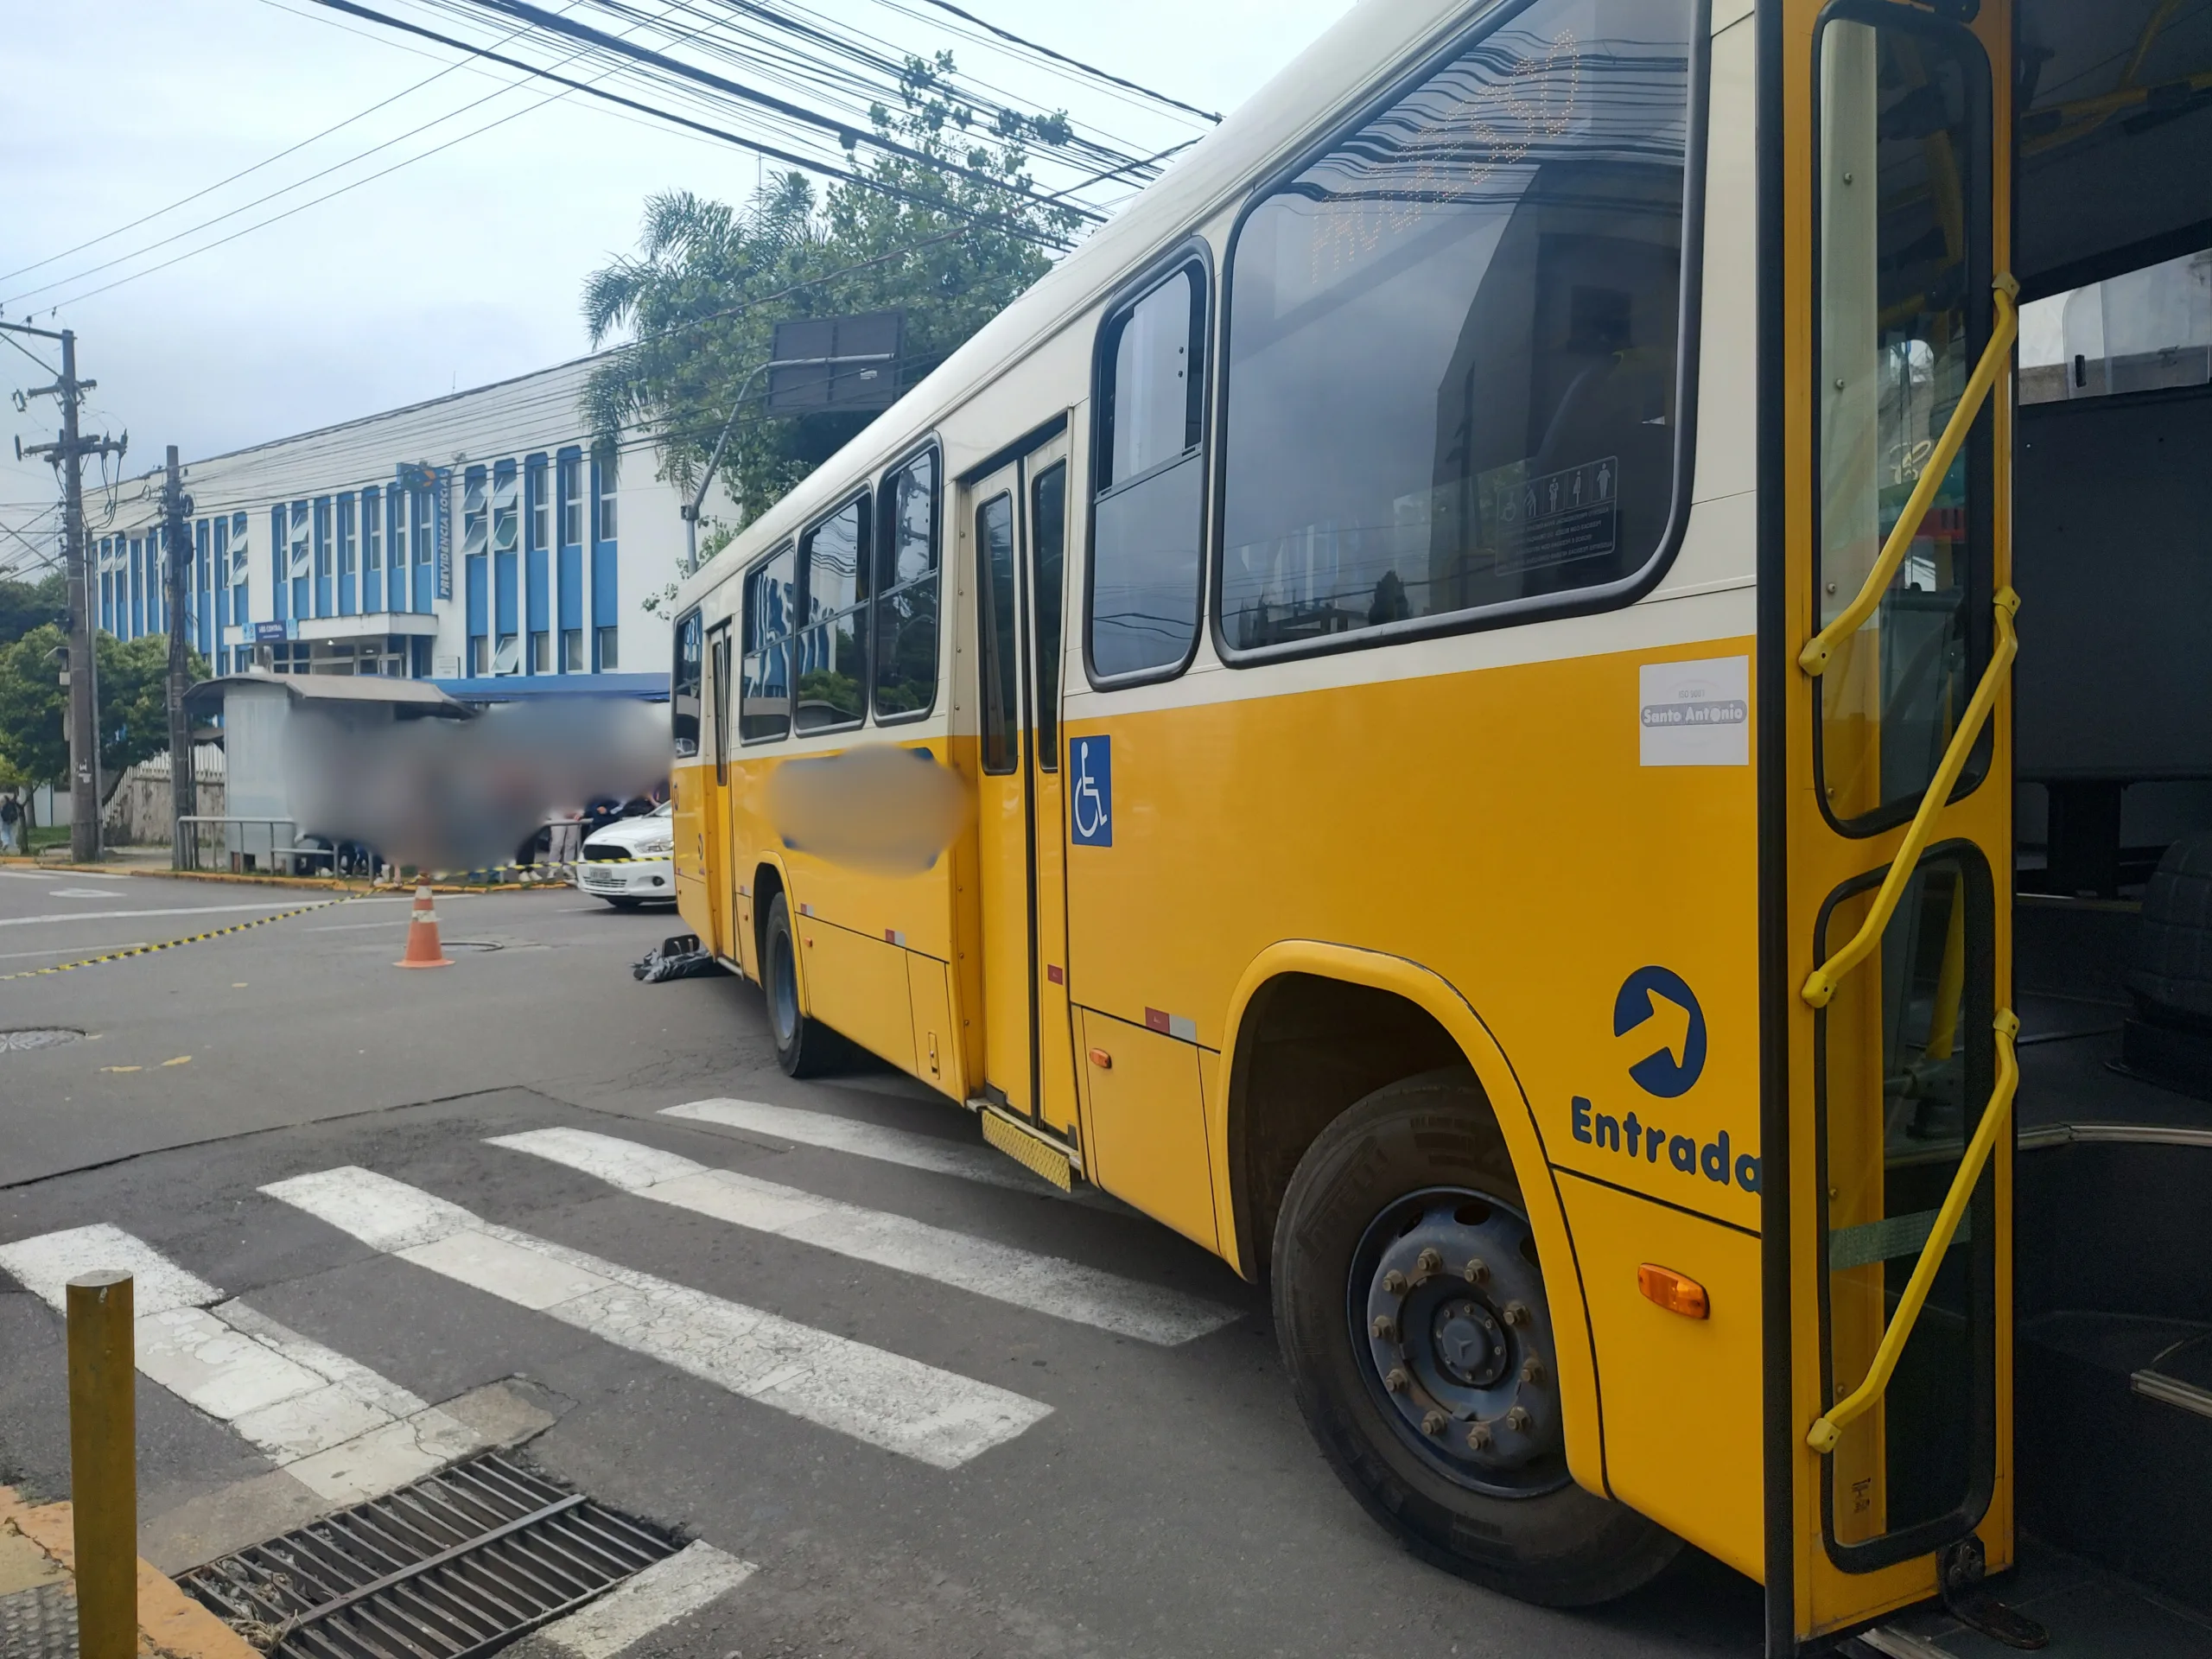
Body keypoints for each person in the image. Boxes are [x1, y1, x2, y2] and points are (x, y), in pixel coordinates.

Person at [0, 791, 22, 855]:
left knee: (3, 831)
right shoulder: (13, 801)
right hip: (13, 820)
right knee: (12, 833)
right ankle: (13, 846)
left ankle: (6, 843)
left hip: (5, 821)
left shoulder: (2, 803)